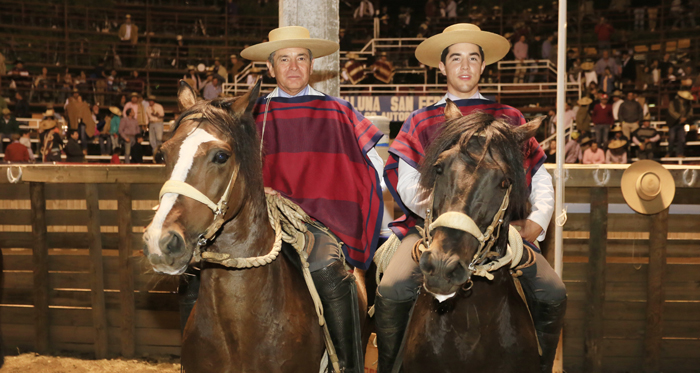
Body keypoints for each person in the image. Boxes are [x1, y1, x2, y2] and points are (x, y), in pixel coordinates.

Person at [379, 23, 565, 373]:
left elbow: (539, 175)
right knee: (392, 289)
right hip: (430, 228)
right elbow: (405, 182)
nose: (465, 66)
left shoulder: (510, 118)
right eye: (456, 58)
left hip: (499, 230)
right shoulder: (420, 120)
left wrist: (538, 220)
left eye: (473, 58)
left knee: (553, 291)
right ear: (442, 66)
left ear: (483, 66)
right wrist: (448, 214)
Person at [241, 26, 385, 373]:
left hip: (321, 224)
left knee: (328, 269)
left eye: (301, 58)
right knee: (201, 273)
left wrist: (354, 217)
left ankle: (347, 364)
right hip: (262, 221)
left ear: (312, 65)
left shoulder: (338, 111)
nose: (293, 66)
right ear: (271, 68)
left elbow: (374, 169)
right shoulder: (249, 116)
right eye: (284, 59)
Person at [667, 90, 694, 157]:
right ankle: (669, 153)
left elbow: (690, 114)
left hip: (682, 124)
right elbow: (671, 111)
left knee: (682, 139)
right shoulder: (673, 103)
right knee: (671, 139)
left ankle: (679, 153)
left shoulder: (688, 106)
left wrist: (685, 118)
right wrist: (680, 117)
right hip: (673, 123)